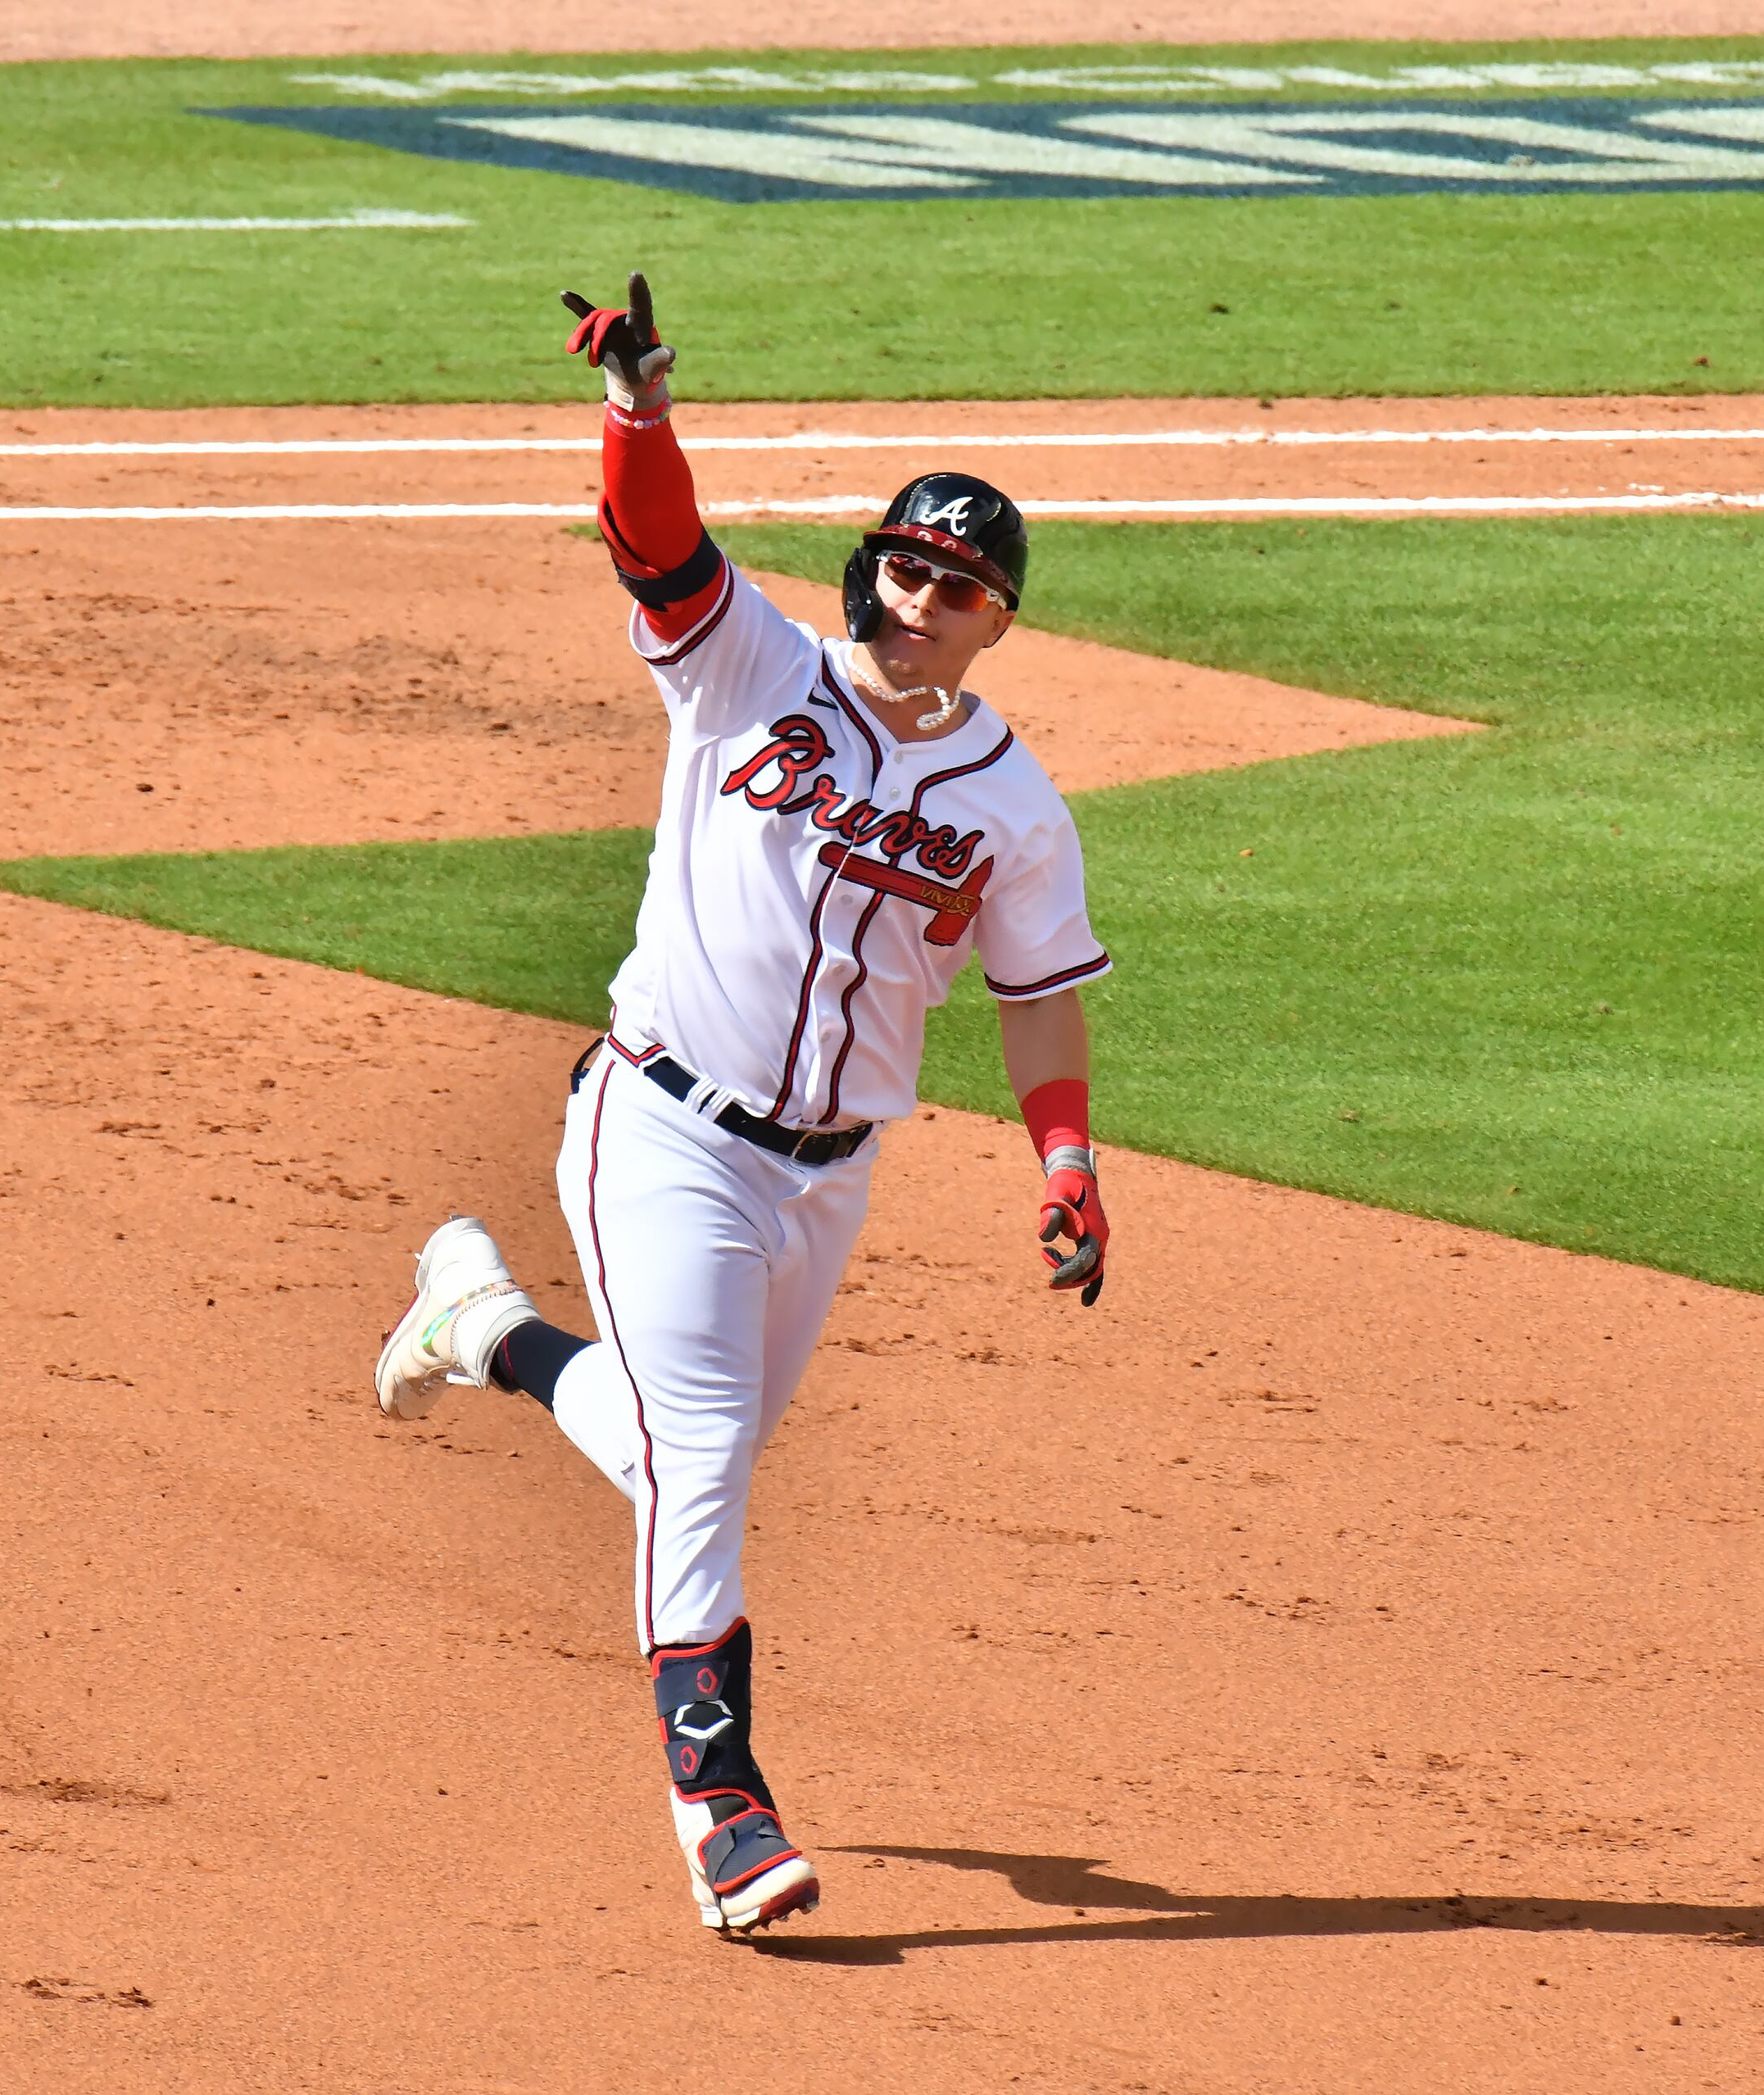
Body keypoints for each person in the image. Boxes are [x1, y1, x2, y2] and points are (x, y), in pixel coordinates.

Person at [372, 273, 1113, 1939]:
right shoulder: (750, 671)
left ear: (1002, 622)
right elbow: (659, 546)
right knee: (702, 1453)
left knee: (674, 1447)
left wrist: (1066, 1157)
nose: (925, 596)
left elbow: (1040, 986)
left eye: (965, 586)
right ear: (872, 568)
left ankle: (485, 1328)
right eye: (909, 565)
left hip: (824, 1183)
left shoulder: (1015, 803)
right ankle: (721, 1804)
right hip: (661, 1128)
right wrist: (637, 407)